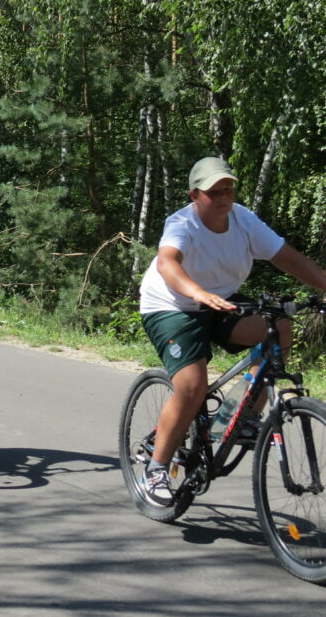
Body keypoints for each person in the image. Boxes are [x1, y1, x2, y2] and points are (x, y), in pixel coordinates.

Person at [138, 157, 326, 505]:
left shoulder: (244, 221)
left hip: (220, 300)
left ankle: (245, 418)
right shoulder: (182, 223)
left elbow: (291, 260)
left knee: (279, 327)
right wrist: (196, 292)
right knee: (192, 385)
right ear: (195, 195)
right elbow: (167, 263)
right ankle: (156, 468)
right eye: (214, 192)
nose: (223, 197)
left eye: (228, 189)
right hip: (172, 304)